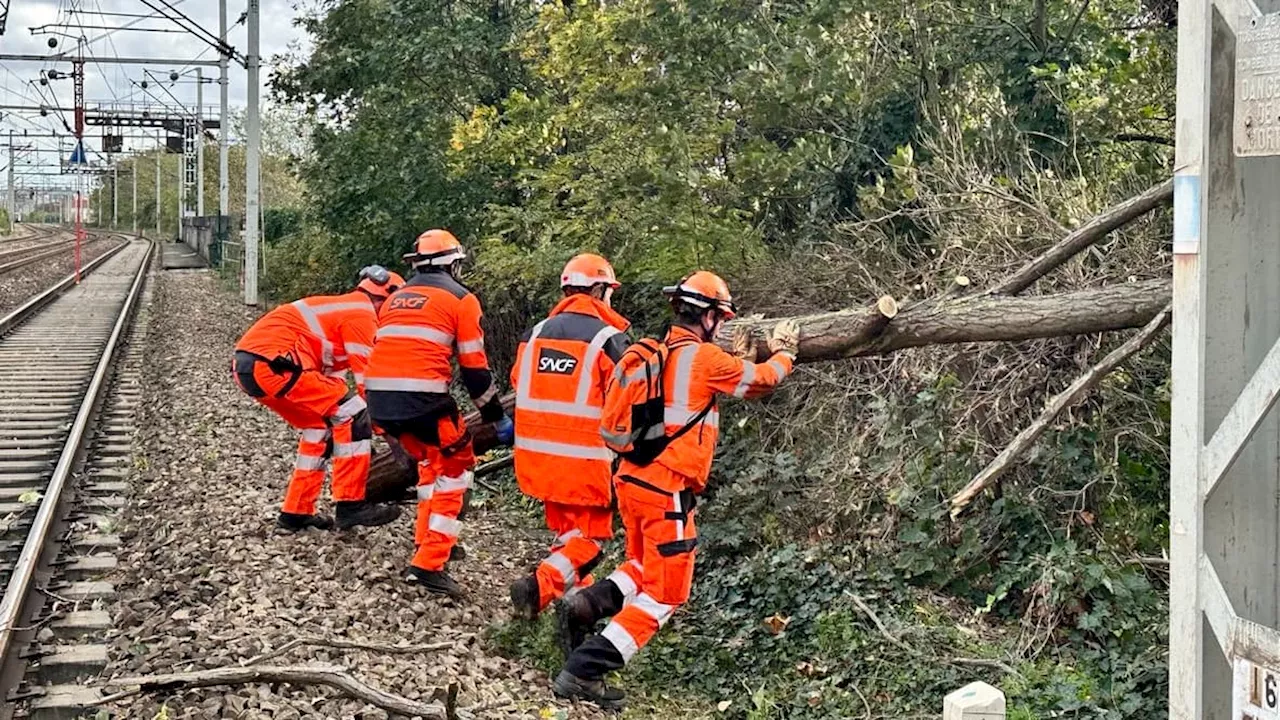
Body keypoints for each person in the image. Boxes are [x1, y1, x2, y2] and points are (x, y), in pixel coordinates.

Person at [552, 271, 801, 708]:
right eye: (720, 318)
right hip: (666, 490)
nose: (721, 326)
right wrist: (785, 353)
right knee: (667, 593)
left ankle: (586, 605)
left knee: (642, 566)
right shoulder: (704, 361)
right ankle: (585, 669)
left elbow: (716, 378)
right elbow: (761, 381)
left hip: (630, 479)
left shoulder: (659, 352)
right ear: (708, 317)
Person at [365, 228, 514, 599]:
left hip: (380, 401)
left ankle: (429, 540)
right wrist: (496, 416)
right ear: (454, 264)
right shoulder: (462, 299)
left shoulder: (395, 298)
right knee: (457, 468)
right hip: (423, 402)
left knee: (431, 466)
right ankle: (429, 564)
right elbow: (475, 369)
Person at [232, 265, 406, 532]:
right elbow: (368, 387)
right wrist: (391, 436)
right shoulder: (362, 315)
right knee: (355, 413)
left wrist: (356, 441)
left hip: (252, 368)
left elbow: (332, 384)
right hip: (276, 364)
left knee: (320, 429)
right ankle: (351, 505)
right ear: (387, 298)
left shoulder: (342, 309)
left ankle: (295, 513)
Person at [508, 254, 631, 620]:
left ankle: (573, 616)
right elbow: (626, 399)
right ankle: (539, 586)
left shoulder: (535, 334)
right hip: (585, 462)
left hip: (536, 459)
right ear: (598, 290)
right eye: (608, 291)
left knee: (569, 535)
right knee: (592, 542)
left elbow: (519, 383)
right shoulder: (609, 340)